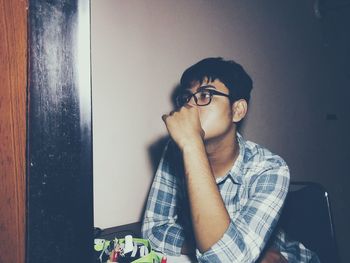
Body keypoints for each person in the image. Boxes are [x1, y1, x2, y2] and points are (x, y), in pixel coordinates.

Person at [141, 57, 319, 262]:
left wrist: (192, 144)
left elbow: (227, 260)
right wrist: (201, 243)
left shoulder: (269, 168)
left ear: (237, 110)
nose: (189, 106)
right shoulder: (175, 152)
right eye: (186, 97)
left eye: (205, 95)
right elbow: (154, 230)